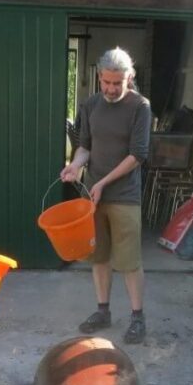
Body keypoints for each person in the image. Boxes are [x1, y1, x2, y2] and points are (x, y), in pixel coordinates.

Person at [61, 47, 151, 344]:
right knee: (98, 256)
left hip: (125, 195)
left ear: (130, 77)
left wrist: (104, 182)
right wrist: (74, 166)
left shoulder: (140, 107)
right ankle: (103, 311)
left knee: (129, 260)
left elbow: (137, 155)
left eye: (118, 83)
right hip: (94, 197)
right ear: (100, 77)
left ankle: (138, 317)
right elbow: (85, 146)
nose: (112, 89)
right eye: (107, 82)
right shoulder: (90, 106)